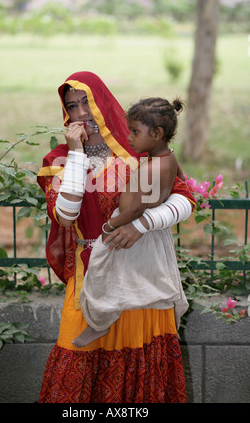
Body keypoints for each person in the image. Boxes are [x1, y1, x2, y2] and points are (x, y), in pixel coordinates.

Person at [37, 71, 196, 403]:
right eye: (72, 106)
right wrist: (77, 153)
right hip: (89, 273)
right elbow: (65, 216)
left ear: (101, 103)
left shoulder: (138, 148)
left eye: (87, 103)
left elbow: (184, 200)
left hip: (141, 278)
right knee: (76, 357)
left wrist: (141, 224)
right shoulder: (59, 160)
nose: (81, 113)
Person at [72, 97, 189, 349]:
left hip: (130, 228)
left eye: (135, 132)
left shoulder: (150, 167)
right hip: (140, 228)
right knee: (115, 274)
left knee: (101, 267)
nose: (130, 138)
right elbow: (180, 180)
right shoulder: (168, 159)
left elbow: (136, 207)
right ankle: (104, 320)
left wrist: (111, 225)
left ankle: (100, 322)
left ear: (157, 133)